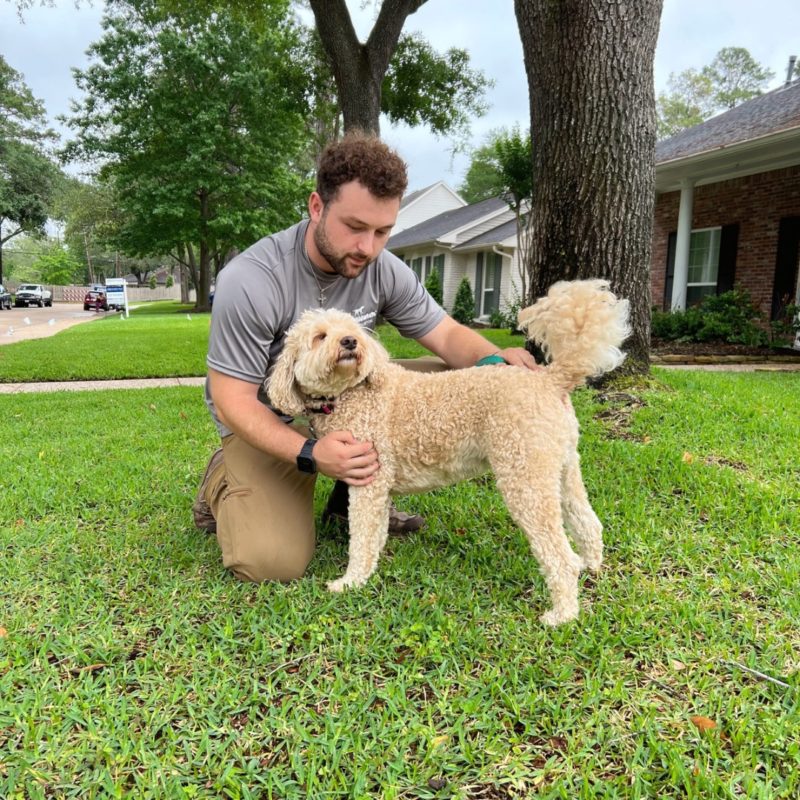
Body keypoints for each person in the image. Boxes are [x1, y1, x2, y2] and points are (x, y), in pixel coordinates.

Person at [193, 132, 540, 583]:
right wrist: (310, 452)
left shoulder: (382, 267)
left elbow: (448, 336)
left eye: (383, 232)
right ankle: (223, 481)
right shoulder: (252, 279)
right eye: (355, 227)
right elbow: (231, 400)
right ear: (316, 207)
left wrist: (497, 366)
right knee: (271, 561)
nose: (368, 248)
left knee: (455, 378)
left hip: (347, 403)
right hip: (271, 416)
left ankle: (349, 495)